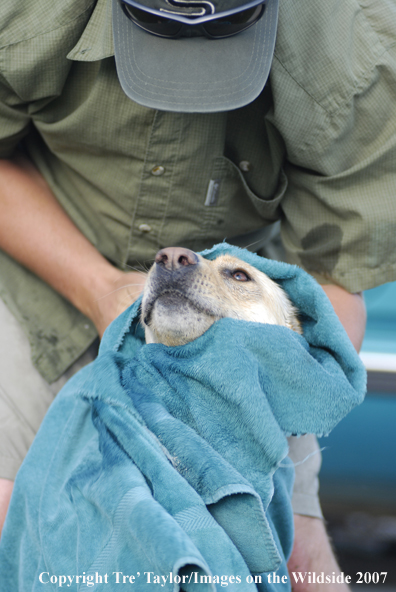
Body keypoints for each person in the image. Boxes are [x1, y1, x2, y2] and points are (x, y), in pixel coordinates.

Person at [0, 0, 394, 588]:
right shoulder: (23, 12)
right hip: (40, 274)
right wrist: (103, 287)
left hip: (247, 339)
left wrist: (265, 399)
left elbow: (332, 277)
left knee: (298, 556)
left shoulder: (356, 41)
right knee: (19, 522)